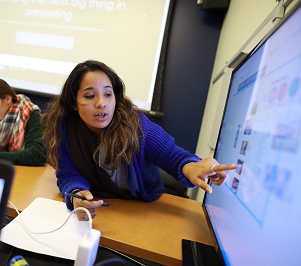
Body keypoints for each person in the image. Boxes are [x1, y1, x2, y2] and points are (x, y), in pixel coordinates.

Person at [42, 60, 237, 220]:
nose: (101, 103)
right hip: (102, 210)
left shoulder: (137, 126)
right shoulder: (63, 128)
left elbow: (173, 156)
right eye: (90, 95)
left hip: (142, 206)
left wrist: (191, 166)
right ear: (73, 103)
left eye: (108, 94)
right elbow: (68, 175)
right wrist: (77, 194)